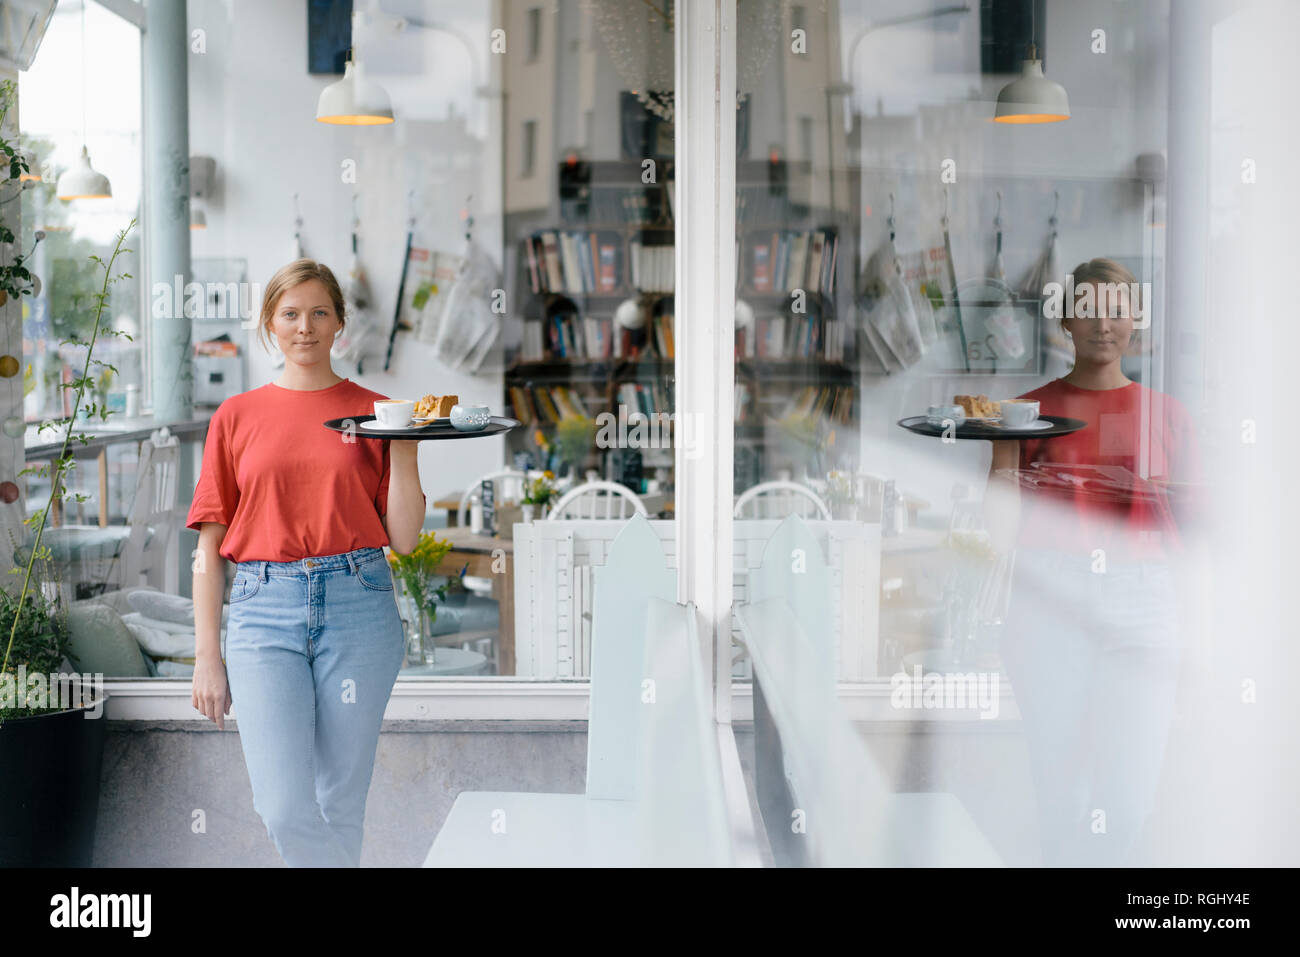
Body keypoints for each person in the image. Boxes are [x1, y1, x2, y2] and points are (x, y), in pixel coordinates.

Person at [187, 258, 426, 867]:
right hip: (263, 611)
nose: (305, 326)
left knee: (340, 803)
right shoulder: (236, 416)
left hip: (359, 603)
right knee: (285, 808)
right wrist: (206, 657)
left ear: (340, 323)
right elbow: (208, 551)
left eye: (320, 312)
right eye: (290, 314)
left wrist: (407, 446)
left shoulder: (377, 411)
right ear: (270, 323)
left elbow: (403, 538)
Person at [986, 257, 1202, 866]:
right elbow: (999, 523)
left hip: (1145, 600)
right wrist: (1002, 463)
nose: (1102, 324)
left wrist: (1200, 634)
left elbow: (1191, 537)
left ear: (1136, 321)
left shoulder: (1170, 416)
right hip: (1050, 598)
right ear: (1065, 322)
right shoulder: (1026, 412)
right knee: (1060, 795)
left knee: (1129, 801)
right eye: (1087, 310)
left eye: (1116, 310)